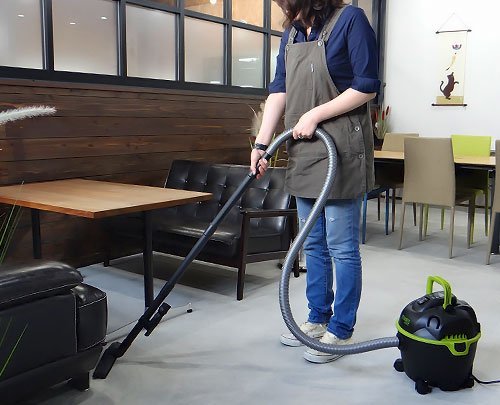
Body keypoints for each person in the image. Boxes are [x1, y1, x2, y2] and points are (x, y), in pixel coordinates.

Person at [250, 0, 380, 364]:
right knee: (313, 243)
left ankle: (341, 329)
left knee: (341, 246)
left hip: (342, 148)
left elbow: (366, 86)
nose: (285, 9)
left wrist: (315, 115)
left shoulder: (350, 20)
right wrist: (261, 144)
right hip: (305, 150)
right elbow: (279, 90)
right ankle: (317, 318)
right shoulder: (292, 34)